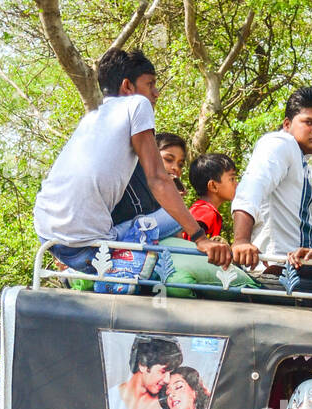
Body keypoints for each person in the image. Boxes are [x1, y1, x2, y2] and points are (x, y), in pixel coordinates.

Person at [33, 48, 230, 276]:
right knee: (175, 216)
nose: (155, 93)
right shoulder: (137, 104)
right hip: (89, 249)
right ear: (128, 86)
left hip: (46, 233)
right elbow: (157, 180)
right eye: (150, 84)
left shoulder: (91, 120)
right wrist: (200, 239)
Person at [231, 87, 312, 276]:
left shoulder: (302, 164)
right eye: (308, 122)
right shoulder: (280, 143)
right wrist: (241, 241)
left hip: (304, 270)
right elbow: (252, 187)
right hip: (278, 270)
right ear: (287, 124)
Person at [109, 335, 182, 409]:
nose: (167, 379)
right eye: (163, 371)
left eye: (170, 373)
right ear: (143, 365)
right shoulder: (109, 401)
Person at [188, 153, 238, 238]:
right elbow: (193, 242)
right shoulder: (205, 212)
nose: (236, 184)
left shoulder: (202, 209)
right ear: (213, 186)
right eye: (232, 179)